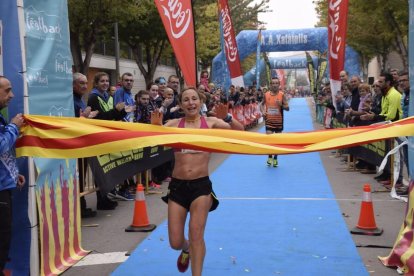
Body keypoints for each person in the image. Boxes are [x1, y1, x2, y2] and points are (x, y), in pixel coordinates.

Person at [151, 87, 243, 276]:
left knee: (196, 235)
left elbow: (240, 132)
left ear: (200, 102)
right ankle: (186, 250)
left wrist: (227, 118)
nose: (191, 102)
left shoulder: (210, 123)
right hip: (177, 187)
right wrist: (154, 128)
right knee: (175, 242)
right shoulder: (173, 124)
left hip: (201, 186)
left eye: (194, 99)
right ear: (181, 104)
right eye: (186, 100)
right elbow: (154, 140)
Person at [88, 72, 128, 210]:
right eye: (102, 81)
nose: (105, 83)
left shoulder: (109, 97)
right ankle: (101, 200)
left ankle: (106, 197)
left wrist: (123, 111)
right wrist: (116, 110)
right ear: (96, 83)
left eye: (107, 81)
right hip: (98, 138)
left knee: (106, 169)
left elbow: (113, 116)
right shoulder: (93, 98)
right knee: (99, 170)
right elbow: (101, 118)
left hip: (108, 137)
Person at [0, 76, 26, 275]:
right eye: (7, 90)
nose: (12, 95)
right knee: (2, 239)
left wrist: (14, 173)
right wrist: (14, 126)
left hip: (4, 187)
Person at [73, 73, 98, 218]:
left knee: (82, 177)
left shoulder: (81, 99)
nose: (84, 86)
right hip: (76, 145)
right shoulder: (71, 100)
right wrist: (83, 117)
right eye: (81, 83)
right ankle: (79, 207)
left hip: (84, 143)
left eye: (86, 83)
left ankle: (81, 205)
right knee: (78, 177)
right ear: (73, 85)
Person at [260, 77, 290, 167]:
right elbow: (261, 104)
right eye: (273, 83)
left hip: (279, 122)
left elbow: (288, 108)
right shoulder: (266, 94)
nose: (275, 85)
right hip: (269, 121)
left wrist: (281, 105)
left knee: (277, 142)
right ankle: (269, 156)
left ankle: (276, 158)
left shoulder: (282, 95)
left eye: (277, 83)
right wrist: (263, 112)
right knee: (269, 140)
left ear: (279, 85)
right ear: (271, 85)